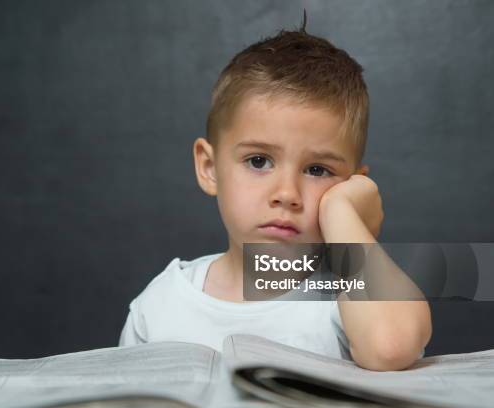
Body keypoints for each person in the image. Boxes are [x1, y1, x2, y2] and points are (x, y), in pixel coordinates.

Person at [119, 20, 432, 371]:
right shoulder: (162, 303)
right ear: (209, 167)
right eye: (258, 161)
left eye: (317, 170)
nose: (286, 194)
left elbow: (390, 348)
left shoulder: (348, 301)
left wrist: (344, 215)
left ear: (352, 186)